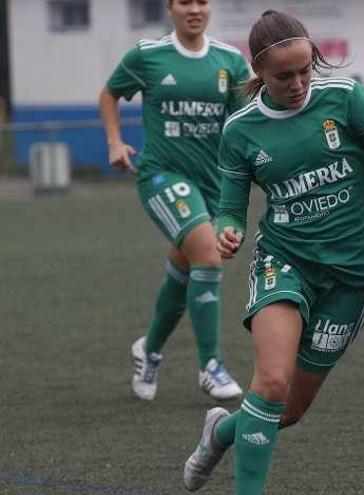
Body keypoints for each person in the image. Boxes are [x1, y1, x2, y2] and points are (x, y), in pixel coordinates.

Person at [180, 10, 364, 495]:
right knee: (271, 383)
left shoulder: (346, 99)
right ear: (259, 73)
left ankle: (220, 432)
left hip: (353, 273)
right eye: (283, 76)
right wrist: (227, 230)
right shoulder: (240, 131)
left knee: (287, 411)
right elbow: (231, 209)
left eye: (305, 70)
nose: (298, 83)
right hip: (285, 260)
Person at [99, 0, 247, 402]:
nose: (194, 9)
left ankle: (148, 349)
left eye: (201, 1)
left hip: (212, 186)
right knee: (208, 255)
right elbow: (110, 94)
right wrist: (114, 142)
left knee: (184, 271)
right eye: (184, 1)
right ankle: (211, 365)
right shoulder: (148, 56)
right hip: (162, 176)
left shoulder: (231, 62)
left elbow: (242, 126)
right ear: (170, 8)